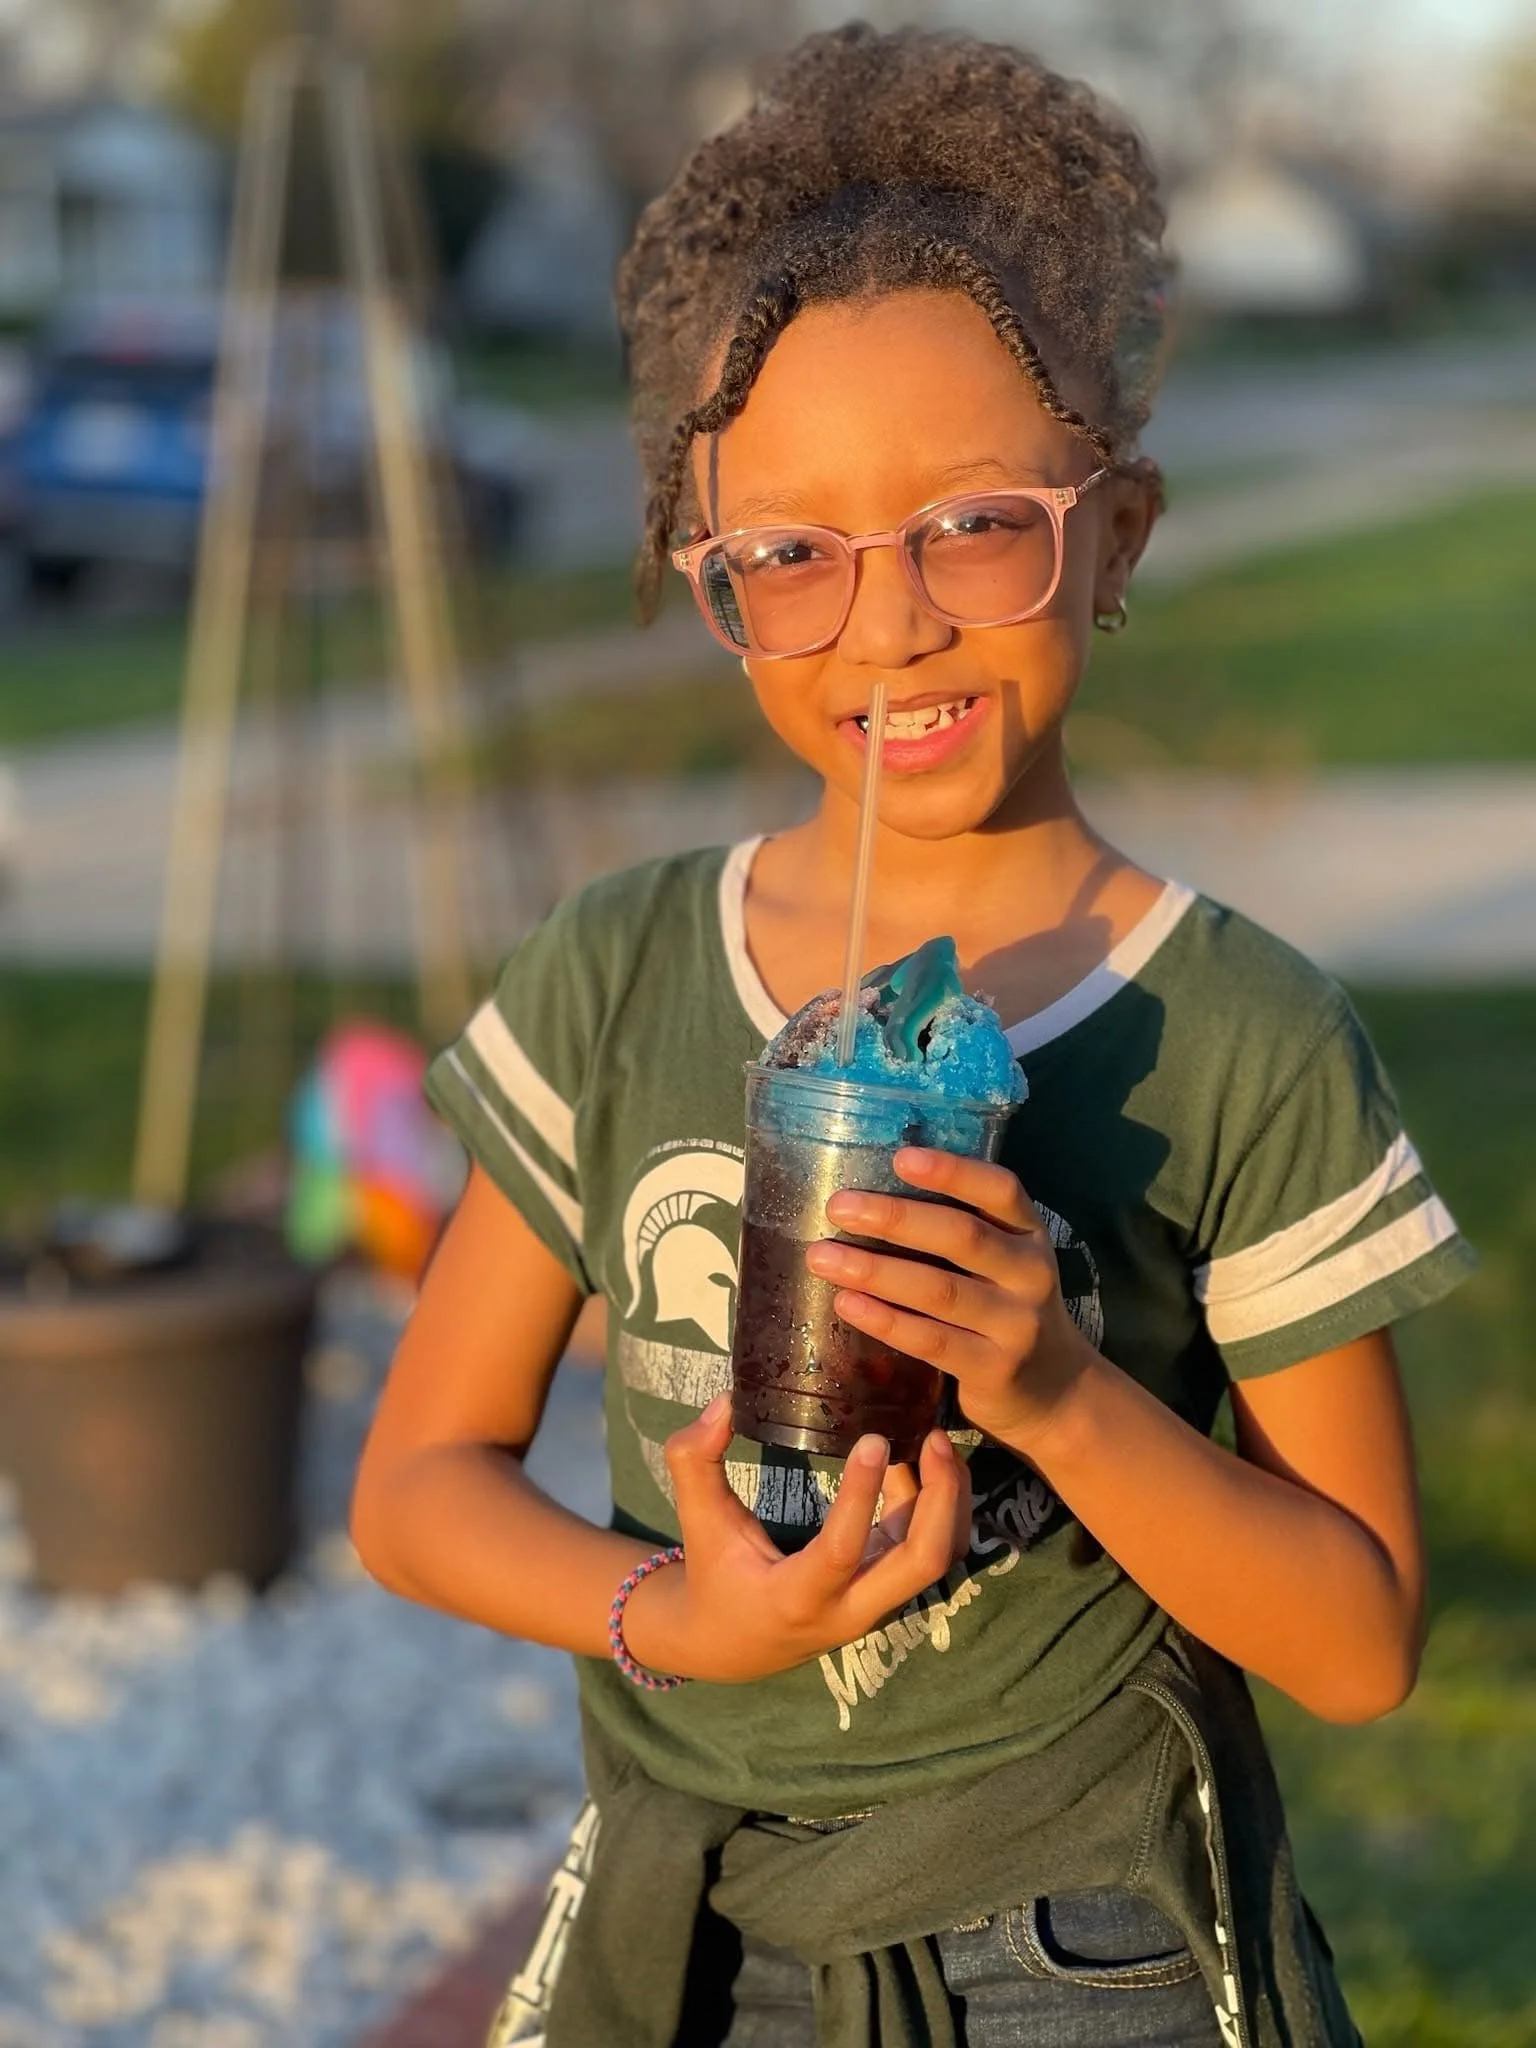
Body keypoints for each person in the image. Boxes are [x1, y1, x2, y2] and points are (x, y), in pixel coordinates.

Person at [351, 26, 1473, 2048]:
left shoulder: (1240, 1034)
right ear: (711, 583)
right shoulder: (616, 972)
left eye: (976, 523)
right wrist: (673, 1615)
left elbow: (1361, 1639)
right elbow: (417, 1483)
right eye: (790, 555)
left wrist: (1054, 1389)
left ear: (1116, 534)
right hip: (690, 1933)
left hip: (1083, 1944)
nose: (891, 624)